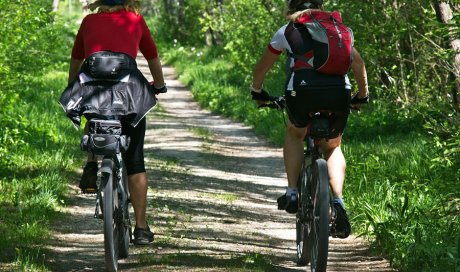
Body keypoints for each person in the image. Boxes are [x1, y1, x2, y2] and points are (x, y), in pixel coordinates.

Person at [250, 0, 369, 238]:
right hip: (338, 92)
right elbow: (357, 63)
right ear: (321, 5)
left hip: (302, 92)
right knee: (333, 145)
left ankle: (292, 192)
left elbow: (262, 67)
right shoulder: (338, 30)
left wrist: (257, 91)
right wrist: (362, 95)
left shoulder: (288, 30)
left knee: (295, 131)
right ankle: (338, 202)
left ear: (291, 7)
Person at [67, 0, 166, 245]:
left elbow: (76, 60)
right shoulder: (135, 20)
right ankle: (141, 228)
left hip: (94, 94)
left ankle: (91, 162)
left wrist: (73, 87)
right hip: (129, 96)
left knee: (92, 109)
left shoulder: (88, 21)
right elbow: (152, 58)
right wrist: (159, 85)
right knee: (135, 160)